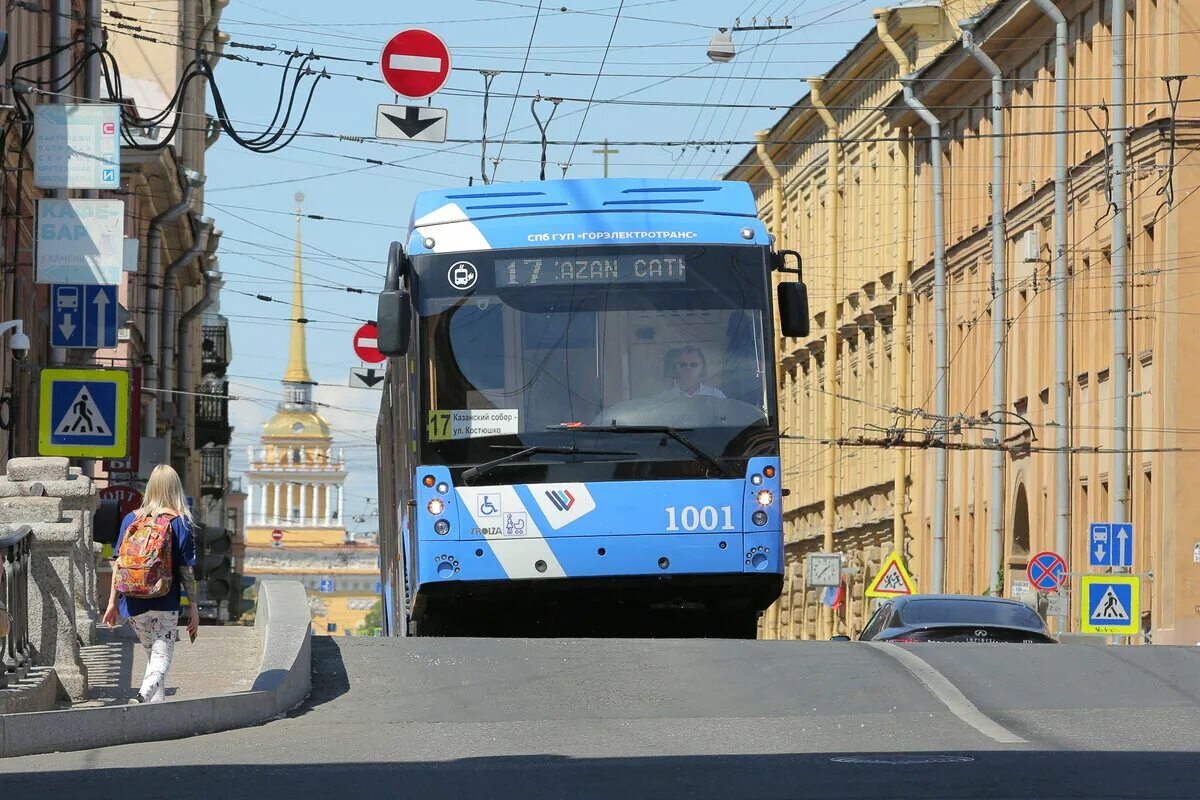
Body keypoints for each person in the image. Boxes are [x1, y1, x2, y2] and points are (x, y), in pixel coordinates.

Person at [102, 465, 199, 704]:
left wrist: (112, 603)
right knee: (161, 656)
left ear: (151, 487)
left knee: (152, 654)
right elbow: (186, 569)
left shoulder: (131, 519)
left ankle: (155, 711)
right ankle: (143, 697)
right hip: (165, 599)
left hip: (133, 600)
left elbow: (119, 564)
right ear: (176, 488)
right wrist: (194, 607)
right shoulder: (181, 521)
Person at [661, 345, 726, 399]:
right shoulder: (666, 398)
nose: (688, 368)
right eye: (683, 364)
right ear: (676, 368)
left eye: (694, 364)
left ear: (702, 367)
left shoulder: (716, 395)